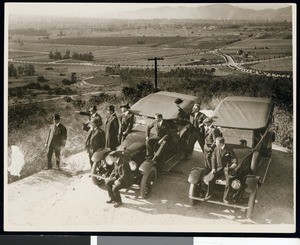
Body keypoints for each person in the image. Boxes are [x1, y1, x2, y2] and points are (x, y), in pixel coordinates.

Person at [204, 137, 238, 204]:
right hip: (218, 168)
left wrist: (234, 164)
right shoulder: (216, 149)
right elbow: (213, 159)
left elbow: (234, 157)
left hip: (227, 168)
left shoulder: (229, 149)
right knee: (211, 178)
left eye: (216, 143)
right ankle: (210, 194)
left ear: (221, 143)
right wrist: (213, 168)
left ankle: (225, 198)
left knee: (228, 182)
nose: (215, 144)